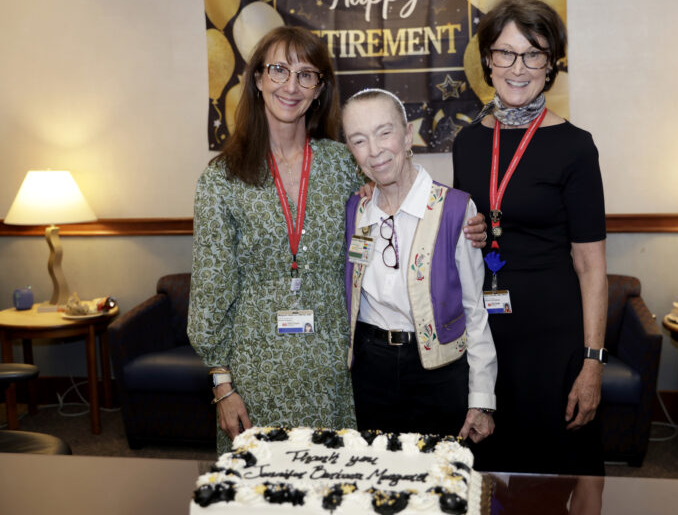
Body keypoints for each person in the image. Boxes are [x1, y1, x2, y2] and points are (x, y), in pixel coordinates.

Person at [188, 27, 488, 453]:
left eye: (306, 75)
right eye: (278, 70)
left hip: (336, 370)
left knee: (341, 486)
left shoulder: (342, 163)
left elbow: (399, 190)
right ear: (256, 79)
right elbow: (210, 292)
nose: (291, 86)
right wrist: (222, 385)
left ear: (319, 90)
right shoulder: (222, 179)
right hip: (256, 372)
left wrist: (463, 222)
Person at [452, 0, 608, 475]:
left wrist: (592, 362)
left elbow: (591, 267)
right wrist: (468, 230)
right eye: (505, 53)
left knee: (555, 471)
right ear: (487, 62)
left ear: (550, 64)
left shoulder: (576, 147)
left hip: (552, 338)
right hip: (486, 338)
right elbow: (482, 229)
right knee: (487, 475)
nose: (518, 67)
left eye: (533, 53)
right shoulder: (469, 140)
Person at [342, 88, 497, 442]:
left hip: (439, 374)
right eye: (359, 140)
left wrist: (482, 399)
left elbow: (475, 312)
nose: (375, 150)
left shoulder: (457, 210)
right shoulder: (356, 210)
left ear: (408, 134)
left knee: (438, 484)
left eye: (385, 132)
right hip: (369, 370)